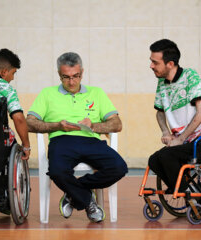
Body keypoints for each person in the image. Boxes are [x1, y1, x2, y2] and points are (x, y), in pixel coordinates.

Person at [26, 52, 128, 223]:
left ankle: (74, 192)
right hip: (61, 141)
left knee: (119, 168)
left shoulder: (97, 93)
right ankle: (87, 200)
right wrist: (57, 126)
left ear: (82, 72)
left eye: (76, 76)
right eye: (66, 77)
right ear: (59, 74)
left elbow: (117, 124)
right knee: (57, 172)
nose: (72, 82)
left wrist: (94, 126)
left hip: (91, 140)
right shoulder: (47, 94)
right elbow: (29, 123)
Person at [148, 39, 201, 217]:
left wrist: (180, 139)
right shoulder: (162, 83)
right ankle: (187, 191)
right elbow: (160, 112)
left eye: (155, 62)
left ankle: (199, 201)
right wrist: (166, 132)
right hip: (182, 140)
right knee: (154, 160)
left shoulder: (190, 76)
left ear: (170, 64)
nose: (151, 66)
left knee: (166, 157)